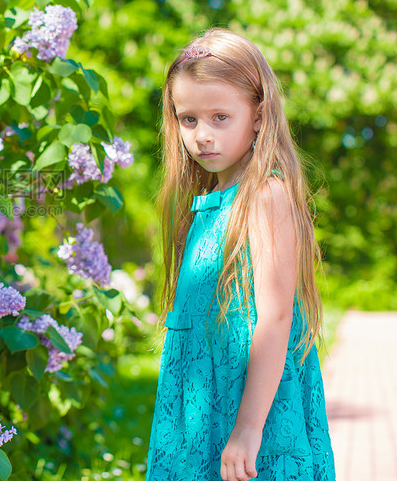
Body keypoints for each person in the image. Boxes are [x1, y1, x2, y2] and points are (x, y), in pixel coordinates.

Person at [145, 28, 335, 481]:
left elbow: (275, 318)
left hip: (250, 420)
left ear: (258, 115)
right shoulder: (204, 205)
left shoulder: (265, 196)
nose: (201, 136)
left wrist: (249, 430)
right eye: (187, 119)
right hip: (196, 419)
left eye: (219, 117)